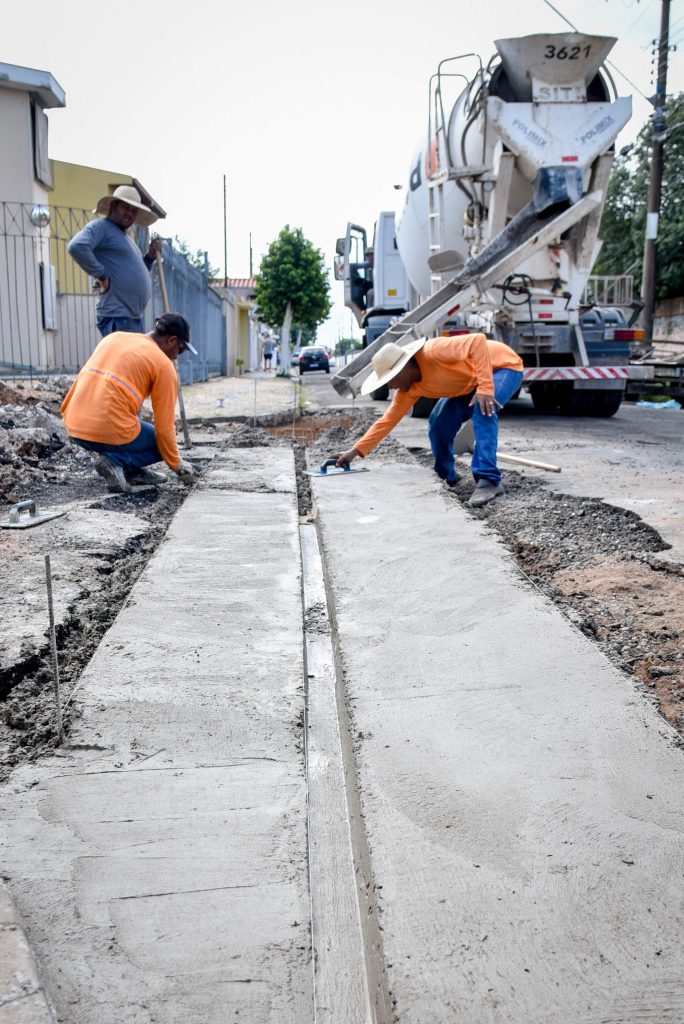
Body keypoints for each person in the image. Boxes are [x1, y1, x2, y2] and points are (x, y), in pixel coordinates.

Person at [335, 333, 524, 507]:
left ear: (404, 368)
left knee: (484, 408)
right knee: (438, 421)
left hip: (503, 366)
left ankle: (488, 480)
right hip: (468, 383)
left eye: (390, 379)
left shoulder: (434, 351)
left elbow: (477, 341)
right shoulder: (408, 390)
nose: (391, 386)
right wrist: (355, 451)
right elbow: (386, 421)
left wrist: (485, 388)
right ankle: (446, 475)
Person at [60, 312, 198, 495]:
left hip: (74, 425)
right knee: (163, 443)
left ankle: (133, 472)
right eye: (180, 349)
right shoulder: (163, 365)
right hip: (105, 428)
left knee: (135, 425)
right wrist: (178, 466)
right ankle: (116, 461)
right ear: (172, 340)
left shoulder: (114, 338)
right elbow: (164, 429)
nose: (177, 356)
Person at [68, 184, 162, 337]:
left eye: (133, 211)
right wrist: (102, 276)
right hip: (118, 316)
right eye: (126, 207)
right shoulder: (102, 227)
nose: (129, 214)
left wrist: (150, 257)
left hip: (131, 317)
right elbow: (76, 246)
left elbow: (135, 271)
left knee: (132, 361)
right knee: (127, 361)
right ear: (113, 206)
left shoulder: (127, 239)